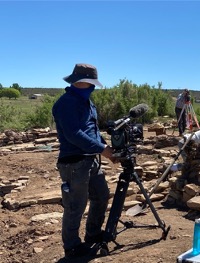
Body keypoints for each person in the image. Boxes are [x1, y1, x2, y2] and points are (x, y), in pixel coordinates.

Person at [52, 63, 115, 258]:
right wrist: (103, 149)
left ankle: (93, 233)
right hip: (74, 163)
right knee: (75, 206)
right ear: (79, 82)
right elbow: (74, 134)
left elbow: (93, 131)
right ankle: (72, 247)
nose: (92, 88)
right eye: (89, 83)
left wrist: (107, 148)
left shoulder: (87, 102)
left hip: (91, 160)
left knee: (101, 196)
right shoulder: (65, 103)